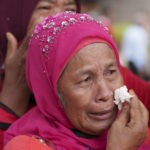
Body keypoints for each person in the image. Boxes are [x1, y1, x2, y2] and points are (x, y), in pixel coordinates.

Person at [0, 0, 150, 147]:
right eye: (85, 80)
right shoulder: (28, 144)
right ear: (50, 89)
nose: (59, 16)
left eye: (70, 8)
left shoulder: (136, 133)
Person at [0, 0, 80, 148]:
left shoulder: (104, 75)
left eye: (70, 8)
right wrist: (13, 95)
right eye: (45, 7)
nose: (60, 17)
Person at [121, 12, 149, 80]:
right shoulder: (141, 32)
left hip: (129, 60)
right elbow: (140, 50)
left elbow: (124, 46)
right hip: (137, 63)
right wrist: (141, 66)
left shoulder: (128, 30)